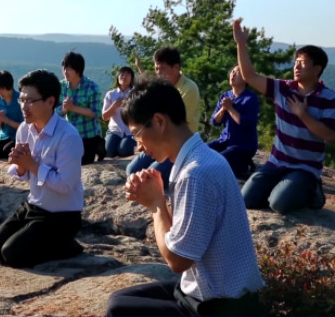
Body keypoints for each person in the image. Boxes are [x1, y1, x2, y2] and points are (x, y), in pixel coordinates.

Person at [106, 80, 263, 316]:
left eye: (138, 134)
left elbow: (177, 261)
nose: (139, 147)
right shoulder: (201, 157)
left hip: (220, 306)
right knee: (119, 298)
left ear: (159, 122)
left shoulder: (195, 174)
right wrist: (156, 195)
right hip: (213, 291)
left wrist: (157, 204)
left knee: (119, 309)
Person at [234, 19, 335, 214]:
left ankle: (313, 191)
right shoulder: (282, 88)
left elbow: (330, 136)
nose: (296, 66)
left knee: (278, 204)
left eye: (302, 63)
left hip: (306, 168)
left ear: (317, 69)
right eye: (296, 62)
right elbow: (250, 76)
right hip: (277, 163)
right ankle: (285, 187)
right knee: (246, 199)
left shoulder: (329, 98)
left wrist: (303, 115)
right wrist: (241, 44)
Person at [0, 69, 84, 268]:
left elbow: (66, 185)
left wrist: (32, 165)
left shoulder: (68, 136)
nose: (24, 106)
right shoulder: (25, 129)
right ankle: (49, 242)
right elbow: (20, 173)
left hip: (61, 216)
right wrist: (21, 167)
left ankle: (66, 244)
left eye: (30, 101)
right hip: (34, 206)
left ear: (50, 102)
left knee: (12, 254)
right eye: (22, 100)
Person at [126, 48, 200, 189]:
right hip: (158, 139)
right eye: (156, 68)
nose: (158, 73)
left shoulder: (189, 88)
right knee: (132, 170)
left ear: (176, 67)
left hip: (177, 144)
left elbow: (175, 120)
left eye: (162, 69)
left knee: (152, 176)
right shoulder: (162, 87)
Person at [207, 66, 259, 178]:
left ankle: (244, 165)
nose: (233, 74)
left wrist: (230, 108)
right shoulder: (225, 96)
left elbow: (246, 124)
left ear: (246, 78)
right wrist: (223, 108)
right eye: (232, 71)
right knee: (201, 152)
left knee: (218, 162)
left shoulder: (250, 98)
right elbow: (215, 121)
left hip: (242, 145)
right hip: (224, 141)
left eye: (238, 72)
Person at [55, 51, 105, 165]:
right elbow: (53, 112)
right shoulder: (60, 87)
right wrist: (64, 109)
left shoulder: (92, 87)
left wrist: (73, 107)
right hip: (68, 133)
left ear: (78, 70)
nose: (65, 72)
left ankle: (98, 144)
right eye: (64, 68)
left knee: (83, 161)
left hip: (88, 133)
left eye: (69, 69)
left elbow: (96, 112)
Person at [102, 67, 136, 157]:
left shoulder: (135, 94)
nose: (124, 76)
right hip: (115, 130)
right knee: (108, 152)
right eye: (122, 74)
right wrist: (114, 106)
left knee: (123, 150)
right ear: (117, 77)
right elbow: (104, 117)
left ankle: (125, 146)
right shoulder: (111, 94)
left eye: (128, 74)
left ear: (131, 78)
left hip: (130, 131)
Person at [0, 70, 24, 159]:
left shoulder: (20, 99)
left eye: (2, 89)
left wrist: (7, 120)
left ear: (9, 86)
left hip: (19, 135)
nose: (0, 93)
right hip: (5, 135)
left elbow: (24, 126)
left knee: (7, 150)